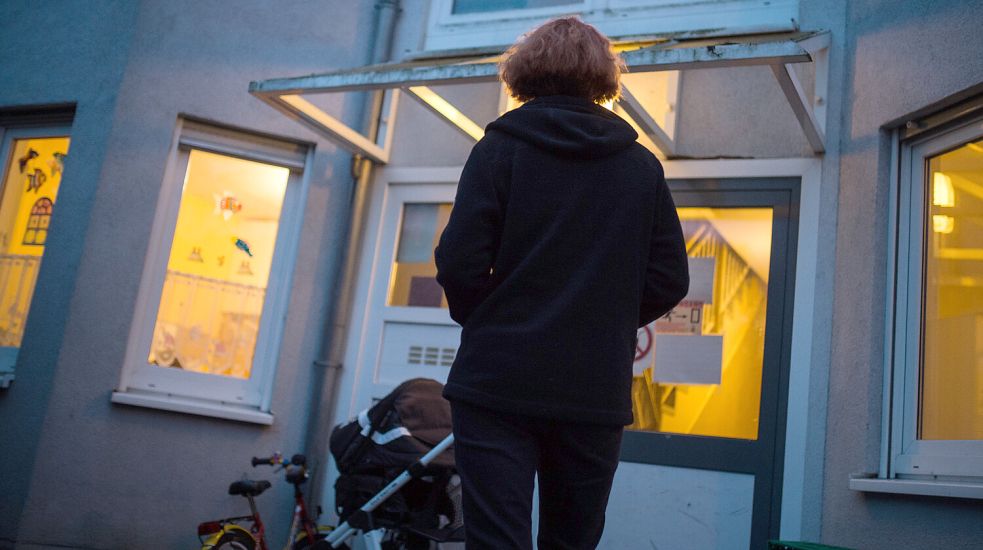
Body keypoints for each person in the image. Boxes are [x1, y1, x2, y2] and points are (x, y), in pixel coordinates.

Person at [434, 16, 689, 550]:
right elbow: (669, 278)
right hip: (592, 389)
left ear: (524, 74)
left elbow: (458, 262)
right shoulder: (641, 168)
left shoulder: (498, 151)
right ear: (603, 78)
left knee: (495, 540)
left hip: (496, 383)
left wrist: (493, 320)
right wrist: (602, 319)